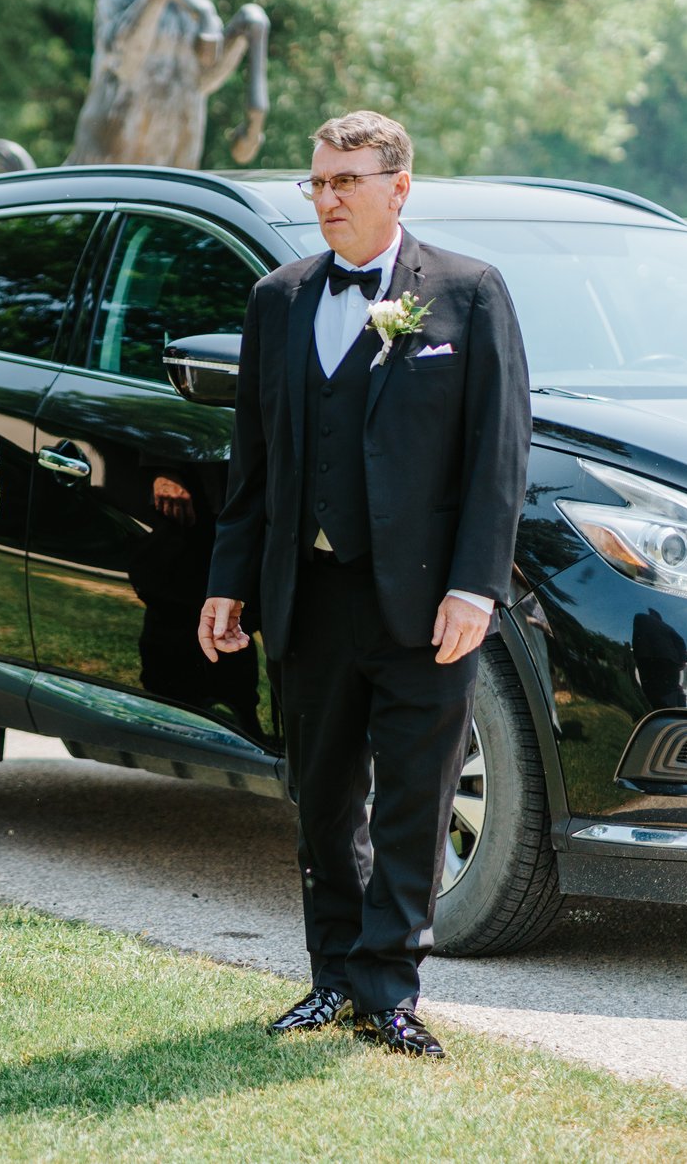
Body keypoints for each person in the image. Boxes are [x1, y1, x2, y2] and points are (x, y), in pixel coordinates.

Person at [199, 111, 531, 1058]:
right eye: (317, 181)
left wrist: (475, 586)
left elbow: (499, 454)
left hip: (427, 602)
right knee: (322, 798)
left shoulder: (468, 293)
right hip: (307, 594)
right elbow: (252, 460)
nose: (327, 198)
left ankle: (391, 991)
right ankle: (332, 979)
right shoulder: (278, 298)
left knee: (416, 798)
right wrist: (230, 581)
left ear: (399, 186)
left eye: (346, 180)